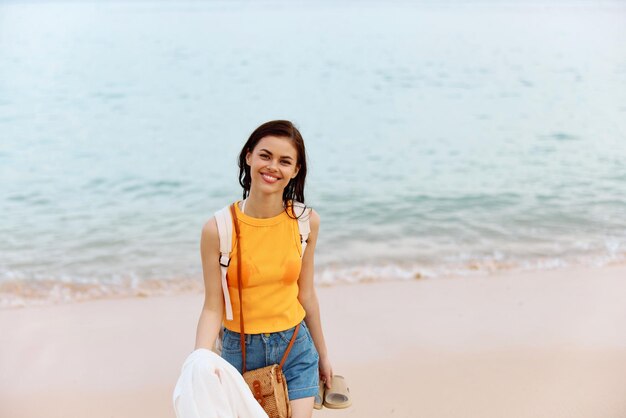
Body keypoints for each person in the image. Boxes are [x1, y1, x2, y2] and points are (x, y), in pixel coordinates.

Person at [194, 120, 332, 418]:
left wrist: (323, 355)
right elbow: (212, 307)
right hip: (239, 351)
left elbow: (306, 294)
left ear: (295, 170)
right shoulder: (218, 228)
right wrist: (201, 362)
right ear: (248, 156)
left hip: (295, 346)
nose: (273, 167)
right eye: (265, 156)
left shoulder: (306, 222)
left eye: (285, 161)